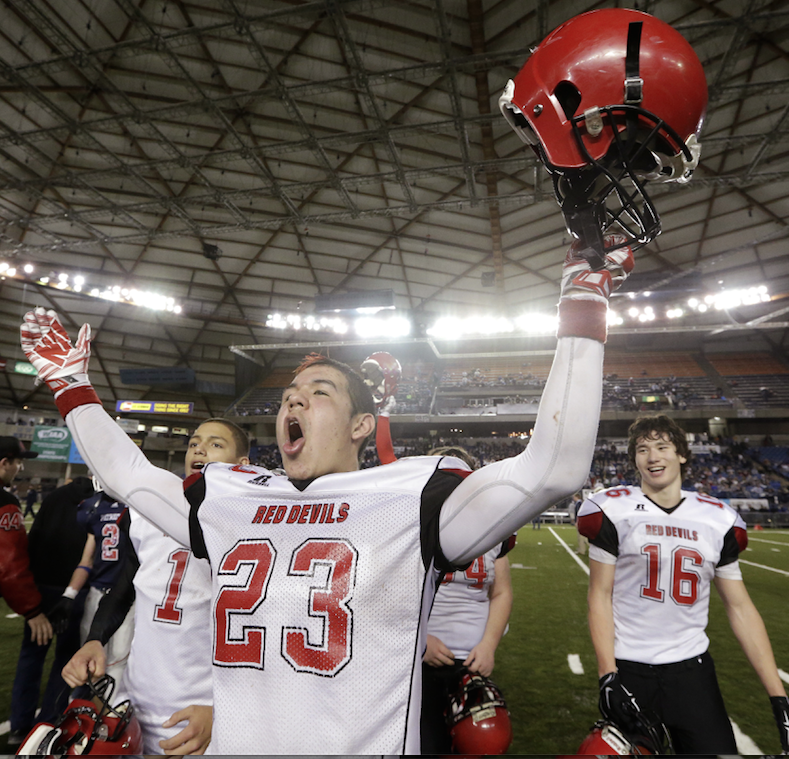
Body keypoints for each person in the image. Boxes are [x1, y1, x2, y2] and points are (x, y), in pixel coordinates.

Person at [18, 237, 631, 754]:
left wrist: (581, 300)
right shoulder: (232, 500)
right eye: (289, 392)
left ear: (364, 425)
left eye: (319, 392)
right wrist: (72, 388)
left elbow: (554, 466)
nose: (293, 398)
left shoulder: (409, 496)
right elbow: (128, 474)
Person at [578, 414, 789, 754]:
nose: (653, 457)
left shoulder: (717, 518)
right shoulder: (613, 509)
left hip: (692, 672)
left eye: (662, 447)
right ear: (634, 459)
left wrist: (779, 697)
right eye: (643, 449)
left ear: (682, 455)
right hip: (631, 668)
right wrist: (607, 674)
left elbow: (740, 607)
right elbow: (598, 596)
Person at [61, 418, 251, 755]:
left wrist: (224, 710)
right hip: (136, 702)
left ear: (243, 465)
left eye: (215, 444)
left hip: (202, 713)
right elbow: (125, 587)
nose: (200, 449)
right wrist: (95, 640)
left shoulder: (253, 520)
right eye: (194, 443)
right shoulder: (146, 510)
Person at [421, 445, 515, 754]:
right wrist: (420, 642)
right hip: (421, 662)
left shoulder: (491, 529)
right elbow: (387, 598)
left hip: (473, 664)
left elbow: (501, 592)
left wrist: (489, 646)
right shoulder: (416, 526)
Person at [9, 475, 94, 745]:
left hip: (43, 588)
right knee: (66, 658)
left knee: (31, 657)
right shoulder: (98, 502)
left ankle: (18, 727)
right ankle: (48, 723)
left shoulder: (55, 497)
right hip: (75, 590)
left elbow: (33, 541)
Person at [0, 436, 54, 747]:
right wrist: (33, 610)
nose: (20, 468)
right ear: (4, 462)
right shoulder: (5, 504)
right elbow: (9, 566)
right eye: (18, 462)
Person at [54, 488, 135, 689]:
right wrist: (69, 594)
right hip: (97, 592)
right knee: (89, 658)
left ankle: (110, 715)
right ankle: (90, 712)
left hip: (127, 596)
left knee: (118, 661)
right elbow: (86, 561)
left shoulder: (136, 504)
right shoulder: (94, 507)